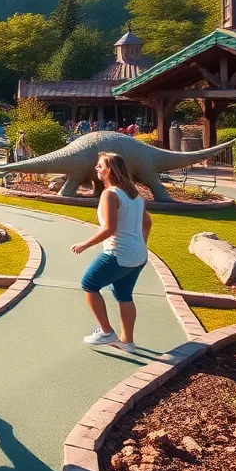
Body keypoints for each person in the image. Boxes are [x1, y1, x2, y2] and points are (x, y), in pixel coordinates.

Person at [71, 152, 152, 354]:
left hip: (119, 253)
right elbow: (147, 223)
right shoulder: (135, 195)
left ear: (110, 170)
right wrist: (140, 244)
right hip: (139, 255)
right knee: (124, 294)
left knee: (89, 284)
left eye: (100, 166)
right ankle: (128, 341)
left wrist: (84, 244)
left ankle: (106, 332)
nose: (96, 169)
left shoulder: (110, 194)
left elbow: (109, 228)